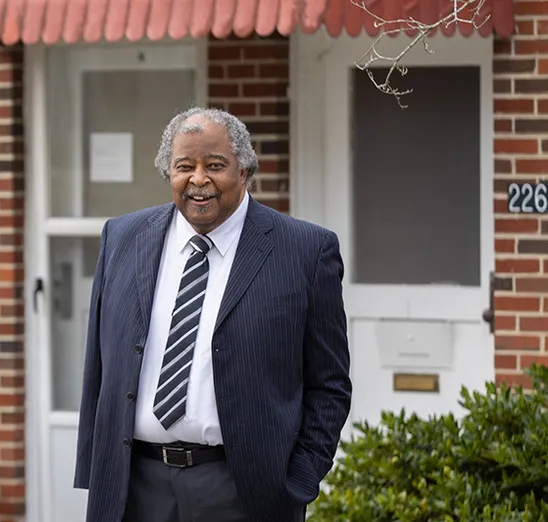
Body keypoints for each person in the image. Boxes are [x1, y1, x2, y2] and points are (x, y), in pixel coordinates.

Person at [74, 107, 352, 522]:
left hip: (244, 491)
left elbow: (329, 384)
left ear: (244, 171)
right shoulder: (122, 237)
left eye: (215, 165)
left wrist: (300, 479)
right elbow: (99, 365)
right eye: (184, 166)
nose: (198, 179)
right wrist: (94, 469)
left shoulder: (306, 251)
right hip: (134, 487)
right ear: (168, 172)